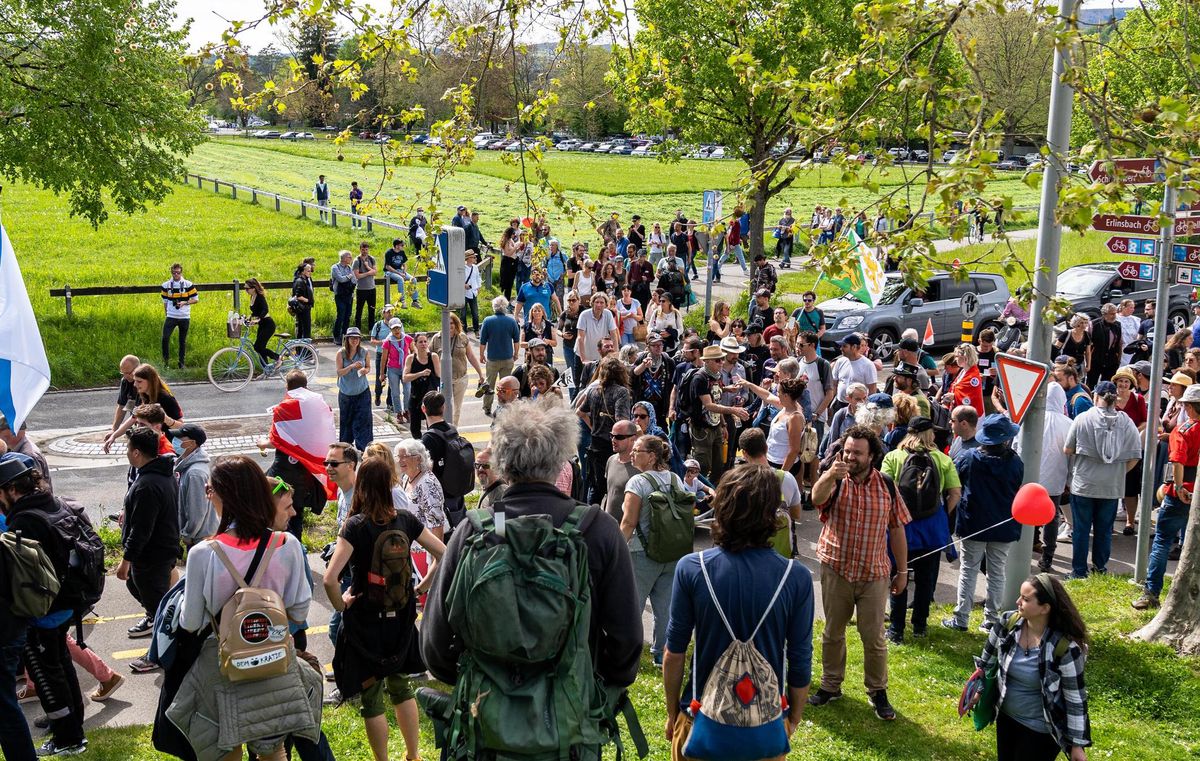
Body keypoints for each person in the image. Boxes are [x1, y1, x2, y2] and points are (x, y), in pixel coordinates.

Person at [420, 398, 642, 759]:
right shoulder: (597, 529)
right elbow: (627, 641)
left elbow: (434, 644)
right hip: (569, 729)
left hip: (487, 729)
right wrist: (591, 682)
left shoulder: (473, 532)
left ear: (502, 463)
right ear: (561, 461)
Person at [663, 463, 814, 759]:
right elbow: (799, 657)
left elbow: (674, 652)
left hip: (698, 719)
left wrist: (673, 713)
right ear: (773, 513)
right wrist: (793, 718)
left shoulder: (693, 569)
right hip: (766, 724)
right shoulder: (795, 577)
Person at [174, 455, 316, 761]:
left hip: (224, 663)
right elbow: (301, 609)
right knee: (274, 748)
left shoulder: (203, 553)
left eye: (210, 489)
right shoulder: (286, 544)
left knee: (226, 745)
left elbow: (191, 621)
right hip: (275, 658)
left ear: (225, 495)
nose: (208, 494)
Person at [808, 425, 910, 720]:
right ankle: (830, 685)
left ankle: (877, 691)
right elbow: (816, 499)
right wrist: (829, 474)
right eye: (847, 450)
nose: (850, 457)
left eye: (857, 453)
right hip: (836, 567)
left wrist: (902, 571)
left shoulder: (887, 485)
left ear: (872, 456)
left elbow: (897, 529)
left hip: (873, 573)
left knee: (874, 637)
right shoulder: (836, 480)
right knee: (832, 632)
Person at [0, 453, 87, 757]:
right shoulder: (53, 502)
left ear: (11, 489)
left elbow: (20, 573)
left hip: (44, 610)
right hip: (68, 602)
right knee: (61, 665)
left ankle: (68, 738)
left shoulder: (24, 520)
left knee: (48, 675)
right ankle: (75, 729)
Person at [971, 574, 1092, 761]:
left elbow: (1075, 697)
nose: (1018, 601)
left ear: (1045, 608)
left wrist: (1077, 745)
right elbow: (986, 663)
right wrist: (977, 690)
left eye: (1026, 599)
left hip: (1041, 731)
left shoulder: (1065, 648)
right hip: (1006, 719)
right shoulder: (1008, 622)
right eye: (1020, 596)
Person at [879, 417, 960, 642]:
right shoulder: (942, 459)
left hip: (901, 526)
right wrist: (942, 513)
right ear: (929, 434)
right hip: (931, 527)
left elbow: (885, 490)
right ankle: (920, 626)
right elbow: (955, 493)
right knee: (926, 578)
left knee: (899, 575)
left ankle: (896, 629)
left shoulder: (893, 457)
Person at [943, 414, 1023, 632]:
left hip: (973, 522)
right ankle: (992, 619)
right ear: (1006, 439)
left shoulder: (968, 458)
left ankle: (961, 618)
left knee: (968, 570)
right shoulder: (1015, 462)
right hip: (1003, 525)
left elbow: (954, 484)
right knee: (997, 572)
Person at [617, 434, 685, 665]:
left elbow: (628, 522)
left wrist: (615, 549)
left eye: (637, 451)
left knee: (632, 605)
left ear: (652, 456)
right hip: (672, 552)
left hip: (641, 553)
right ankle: (660, 654)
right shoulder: (676, 479)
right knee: (665, 608)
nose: (632, 454)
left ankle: (628, 654)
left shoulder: (637, 482)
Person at [1063, 381, 1142, 579]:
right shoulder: (1126, 421)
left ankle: (1079, 571)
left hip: (1084, 483)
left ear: (1096, 397)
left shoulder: (1083, 419)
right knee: (1104, 530)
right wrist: (1118, 472)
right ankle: (1100, 568)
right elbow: (1135, 455)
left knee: (1081, 530)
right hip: (1111, 485)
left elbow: (1068, 449)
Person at [1134, 383, 1200, 609]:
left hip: (1181, 494)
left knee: (1162, 542)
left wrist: (1180, 487)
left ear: (1190, 407)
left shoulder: (1182, 431)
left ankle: (1151, 593)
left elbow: (1177, 461)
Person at [120, 426, 181, 669]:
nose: (126, 452)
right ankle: (159, 626)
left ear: (136, 453)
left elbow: (142, 528)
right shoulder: (162, 474)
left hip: (152, 554)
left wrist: (127, 559)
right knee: (138, 588)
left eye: (127, 448)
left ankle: (158, 655)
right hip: (161, 550)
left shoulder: (147, 484)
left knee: (158, 607)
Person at [689, 345, 751, 484]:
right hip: (702, 428)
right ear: (707, 361)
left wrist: (723, 424)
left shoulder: (716, 376)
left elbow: (717, 398)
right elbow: (709, 405)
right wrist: (733, 410)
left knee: (719, 464)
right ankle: (697, 493)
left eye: (722, 359)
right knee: (703, 464)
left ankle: (715, 492)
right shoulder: (700, 378)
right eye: (717, 360)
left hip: (716, 426)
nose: (721, 363)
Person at [578, 356, 633, 505]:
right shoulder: (621, 392)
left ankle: (590, 518)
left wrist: (593, 427)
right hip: (614, 444)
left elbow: (580, 412)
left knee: (596, 487)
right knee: (615, 486)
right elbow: (621, 420)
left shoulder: (594, 391)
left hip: (595, 444)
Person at [102, 362, 183, 452]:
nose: (135, 385)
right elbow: (134, 417)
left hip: (166, 446)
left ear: (151, 381)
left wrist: (166, 419)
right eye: (135, 380)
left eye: (139, 381)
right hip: (150, 444)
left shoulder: (166, 398)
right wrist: (114, 435)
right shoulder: (143, 395)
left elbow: (181, 427)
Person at [1111, 366, 1147, 535]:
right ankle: (1108, 521)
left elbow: (1146, 421)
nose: (1123, 384)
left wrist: (1132, 430)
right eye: (1120, 381)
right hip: (1112, 448)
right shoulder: (1110, 398)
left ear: (1131, 383)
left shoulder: (1138, 399)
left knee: (1130, 487)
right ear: (1116, 382)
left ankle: (1130, 522)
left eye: (1126, 381)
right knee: (1110, 485)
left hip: (1132, 448)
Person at [432, 313, 485, 426]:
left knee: (457, 407)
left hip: (460, 378)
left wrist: (480, 373)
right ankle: (444, 427)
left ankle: (453, 429)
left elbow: (470, 356)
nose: (449, 326)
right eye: (446, 323)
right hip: (444, 379)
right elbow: (429, 356)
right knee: (444, 405)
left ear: (456, 324)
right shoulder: (436, 338)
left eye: (451, 323)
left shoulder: (462, 337)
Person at [394, 438, 448, 544]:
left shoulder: (427, 483)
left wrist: (435, 558)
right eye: (398, 457)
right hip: (412, 544)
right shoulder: (406, 478)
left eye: (405, 456)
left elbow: (437, 525)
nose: (400, 461)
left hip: (425, 548)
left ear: (418, 458)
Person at [172, 422, 217, 550]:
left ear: (192, 443)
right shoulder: (188, 466)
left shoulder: (195, 473)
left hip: (200, 538)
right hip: (199, 536)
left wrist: (188, 534)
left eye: (181, 438)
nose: (176, 440)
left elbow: (197, 509)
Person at [479, 296, 521, 417]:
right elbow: (516, 340)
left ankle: (487, 407)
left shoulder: (487, 321)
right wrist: (516, 353)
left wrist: (481, 355)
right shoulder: (512, 321)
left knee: (489, 384)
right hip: (507, 358)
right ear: (506, 307)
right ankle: (505, 407)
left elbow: (483, 341)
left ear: (494, 307)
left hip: (492, 359)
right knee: (507, 386)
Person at [336, 328, 374, 450]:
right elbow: (339, 372)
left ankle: (364, 448)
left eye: (357, 338)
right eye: (352, 338)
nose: (355, 340)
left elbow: (368, 367)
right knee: (346, 421)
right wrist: (352, 366)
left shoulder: (364, 352)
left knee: (364, 420)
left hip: (362, 391)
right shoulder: (341, 353)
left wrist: (364, 370)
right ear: (347, 339)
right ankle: (346, 447)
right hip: (345, 393)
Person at [402, 333, 439, 439]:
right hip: (415, 396)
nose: (423, 344)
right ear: (415, 344)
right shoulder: (411, 358)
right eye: (420, 342)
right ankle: (419, 447)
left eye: (425, 341)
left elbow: (439, 375)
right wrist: (420, 373)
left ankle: (431, 447)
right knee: (414, 427)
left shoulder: (433, 356)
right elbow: (405, 378)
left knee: (432, 427)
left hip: (430, 397)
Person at [161, 262, 198, 369]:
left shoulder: (188, 284)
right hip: (171, 316)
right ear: (171, 273)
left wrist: (184, 303)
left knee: (182, 341)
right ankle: (165, 363)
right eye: (174, 273)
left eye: (177, 272)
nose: (176, 275)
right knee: (165, 338)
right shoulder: (166, 285)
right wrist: (166, 313)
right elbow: (165, 301)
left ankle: (181, 363)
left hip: (184, 316)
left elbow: (196, 300)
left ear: (181, 272)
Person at [831, 334, 879, 413]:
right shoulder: (840, 361)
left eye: (844, 346)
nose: (841, 349)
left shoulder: (868, 365)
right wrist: (831, 403)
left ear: (854, 347)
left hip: (858, 407)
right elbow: (834, 384)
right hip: (840, 404)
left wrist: (868, 409)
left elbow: (872, 390)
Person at [602, 420, 640, 519]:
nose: (613, 440)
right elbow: (610, 493)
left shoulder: (640, 467)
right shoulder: (611, 460)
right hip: (609, 525)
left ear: (633, 438)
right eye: (611, 435)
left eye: (619, 437)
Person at [243, 277, 280, 370]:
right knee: (260, 348)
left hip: (268, 325)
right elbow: (256, 311)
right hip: (262, 325)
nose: (245, 290)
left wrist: (258, 319)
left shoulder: (260, 297)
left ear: (253, 288)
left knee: (258, 346)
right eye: (245, 288)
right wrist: (249, 318)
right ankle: (266, 370)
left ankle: (278, 358)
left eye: (247, 288)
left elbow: (265, 309)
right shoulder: (252, 297)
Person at [947, 342, 985, 416]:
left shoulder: (973, 377)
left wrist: (953, 396)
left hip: (970, 417)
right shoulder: (964, 371)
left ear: (965, 358)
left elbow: (969, 398)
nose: (955, 359)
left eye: (957, 356)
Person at [1089, 304, 1123, 387]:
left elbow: (1119, 343)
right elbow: (1088, 344)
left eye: (1115, 313)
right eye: (1111, 314)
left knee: (1107, 385)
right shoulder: (1094, 324)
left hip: (1111, 361)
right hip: (1095, 360)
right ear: (1104, 314)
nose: (1114, 316)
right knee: (1091, 383)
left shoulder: (1117, 325)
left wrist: (1118, 359)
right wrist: (1088, 360)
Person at [383, 239, 420, 310]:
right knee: (400, 279)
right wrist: (399, 274)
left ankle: (415, 301)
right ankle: (402, 300)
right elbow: (387, 267)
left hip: (400, 271)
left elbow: (404, 264)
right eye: (401, 245)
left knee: (413, 279)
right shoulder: (389, 253)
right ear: (396, 246)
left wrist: (404, 272)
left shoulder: (402, 252)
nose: (403, 247)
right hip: (389, 271)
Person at [331, 249, 356, 343]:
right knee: (340, 315)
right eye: (349, 257)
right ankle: (336, 336)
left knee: (347, 316)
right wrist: (349, 277)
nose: (351, 258)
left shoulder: (349, 268)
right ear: (344, 258)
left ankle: (345, 336)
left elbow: (354, 281)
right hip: (340, 295)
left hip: (349, 295)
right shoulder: (335, 267)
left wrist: (348, 277)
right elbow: (340, 279)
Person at [353, 241, 379, 331]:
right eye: (363, 249)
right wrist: (369, 273)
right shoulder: (357, 261)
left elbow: (375, 272)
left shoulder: (372, 259)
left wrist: (367, 267)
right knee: (359, 310)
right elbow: (357, 276)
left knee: (372, 310)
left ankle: (371, 329)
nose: (364, 251)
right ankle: (357, 329)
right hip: (361, 289)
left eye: (366, 249)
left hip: (372, 288)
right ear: (360, 249)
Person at [291, 260, 316, 340]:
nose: (310, 272)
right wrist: (308, 301)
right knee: (305, 330)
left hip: (304, 308)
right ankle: (304, 350)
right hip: (303, 308)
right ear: (302, 272)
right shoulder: (300, 281)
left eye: (310, 270)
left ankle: (302, 349)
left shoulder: (304, 280)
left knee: (303, 330)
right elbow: (298, 296)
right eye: (308, 271)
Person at [462, 249, 482, 332]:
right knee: (463, 314)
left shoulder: (475, 267)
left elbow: (478, 277)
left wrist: (479, 287)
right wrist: (463, 285)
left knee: (475, 313)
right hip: (463, 293)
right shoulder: (462, 268)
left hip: (473, 292)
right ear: (468, 258)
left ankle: (476, 329)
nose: (475, 258)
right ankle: (464, 330)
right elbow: (458, 279)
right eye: (473, 257)